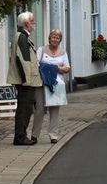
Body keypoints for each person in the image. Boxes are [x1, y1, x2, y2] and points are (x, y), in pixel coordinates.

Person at [10, 11, 42, 145]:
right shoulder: (22, 37)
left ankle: (21, 136)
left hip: (26, 81)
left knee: (25, 108)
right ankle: (20, 137)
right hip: (25, 82)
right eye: (33, 21)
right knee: (25, 108)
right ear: (27, 24)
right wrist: (26, 81)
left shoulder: (22, 36)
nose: (34, 23)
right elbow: (23, 60)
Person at [35, 29, 72, 142]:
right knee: (39, 109)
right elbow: (36, 65)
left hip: (57, 85)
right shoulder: (41, 50)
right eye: (53, 37)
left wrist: (56, 68)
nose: (55, 39)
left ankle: (53, 135)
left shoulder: (63, 53)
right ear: (49, 38)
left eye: (57, 38)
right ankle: (35, 134)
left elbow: (67, 68)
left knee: (55, 109)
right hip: (42, 83)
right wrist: (49, 69)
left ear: (60, 40)